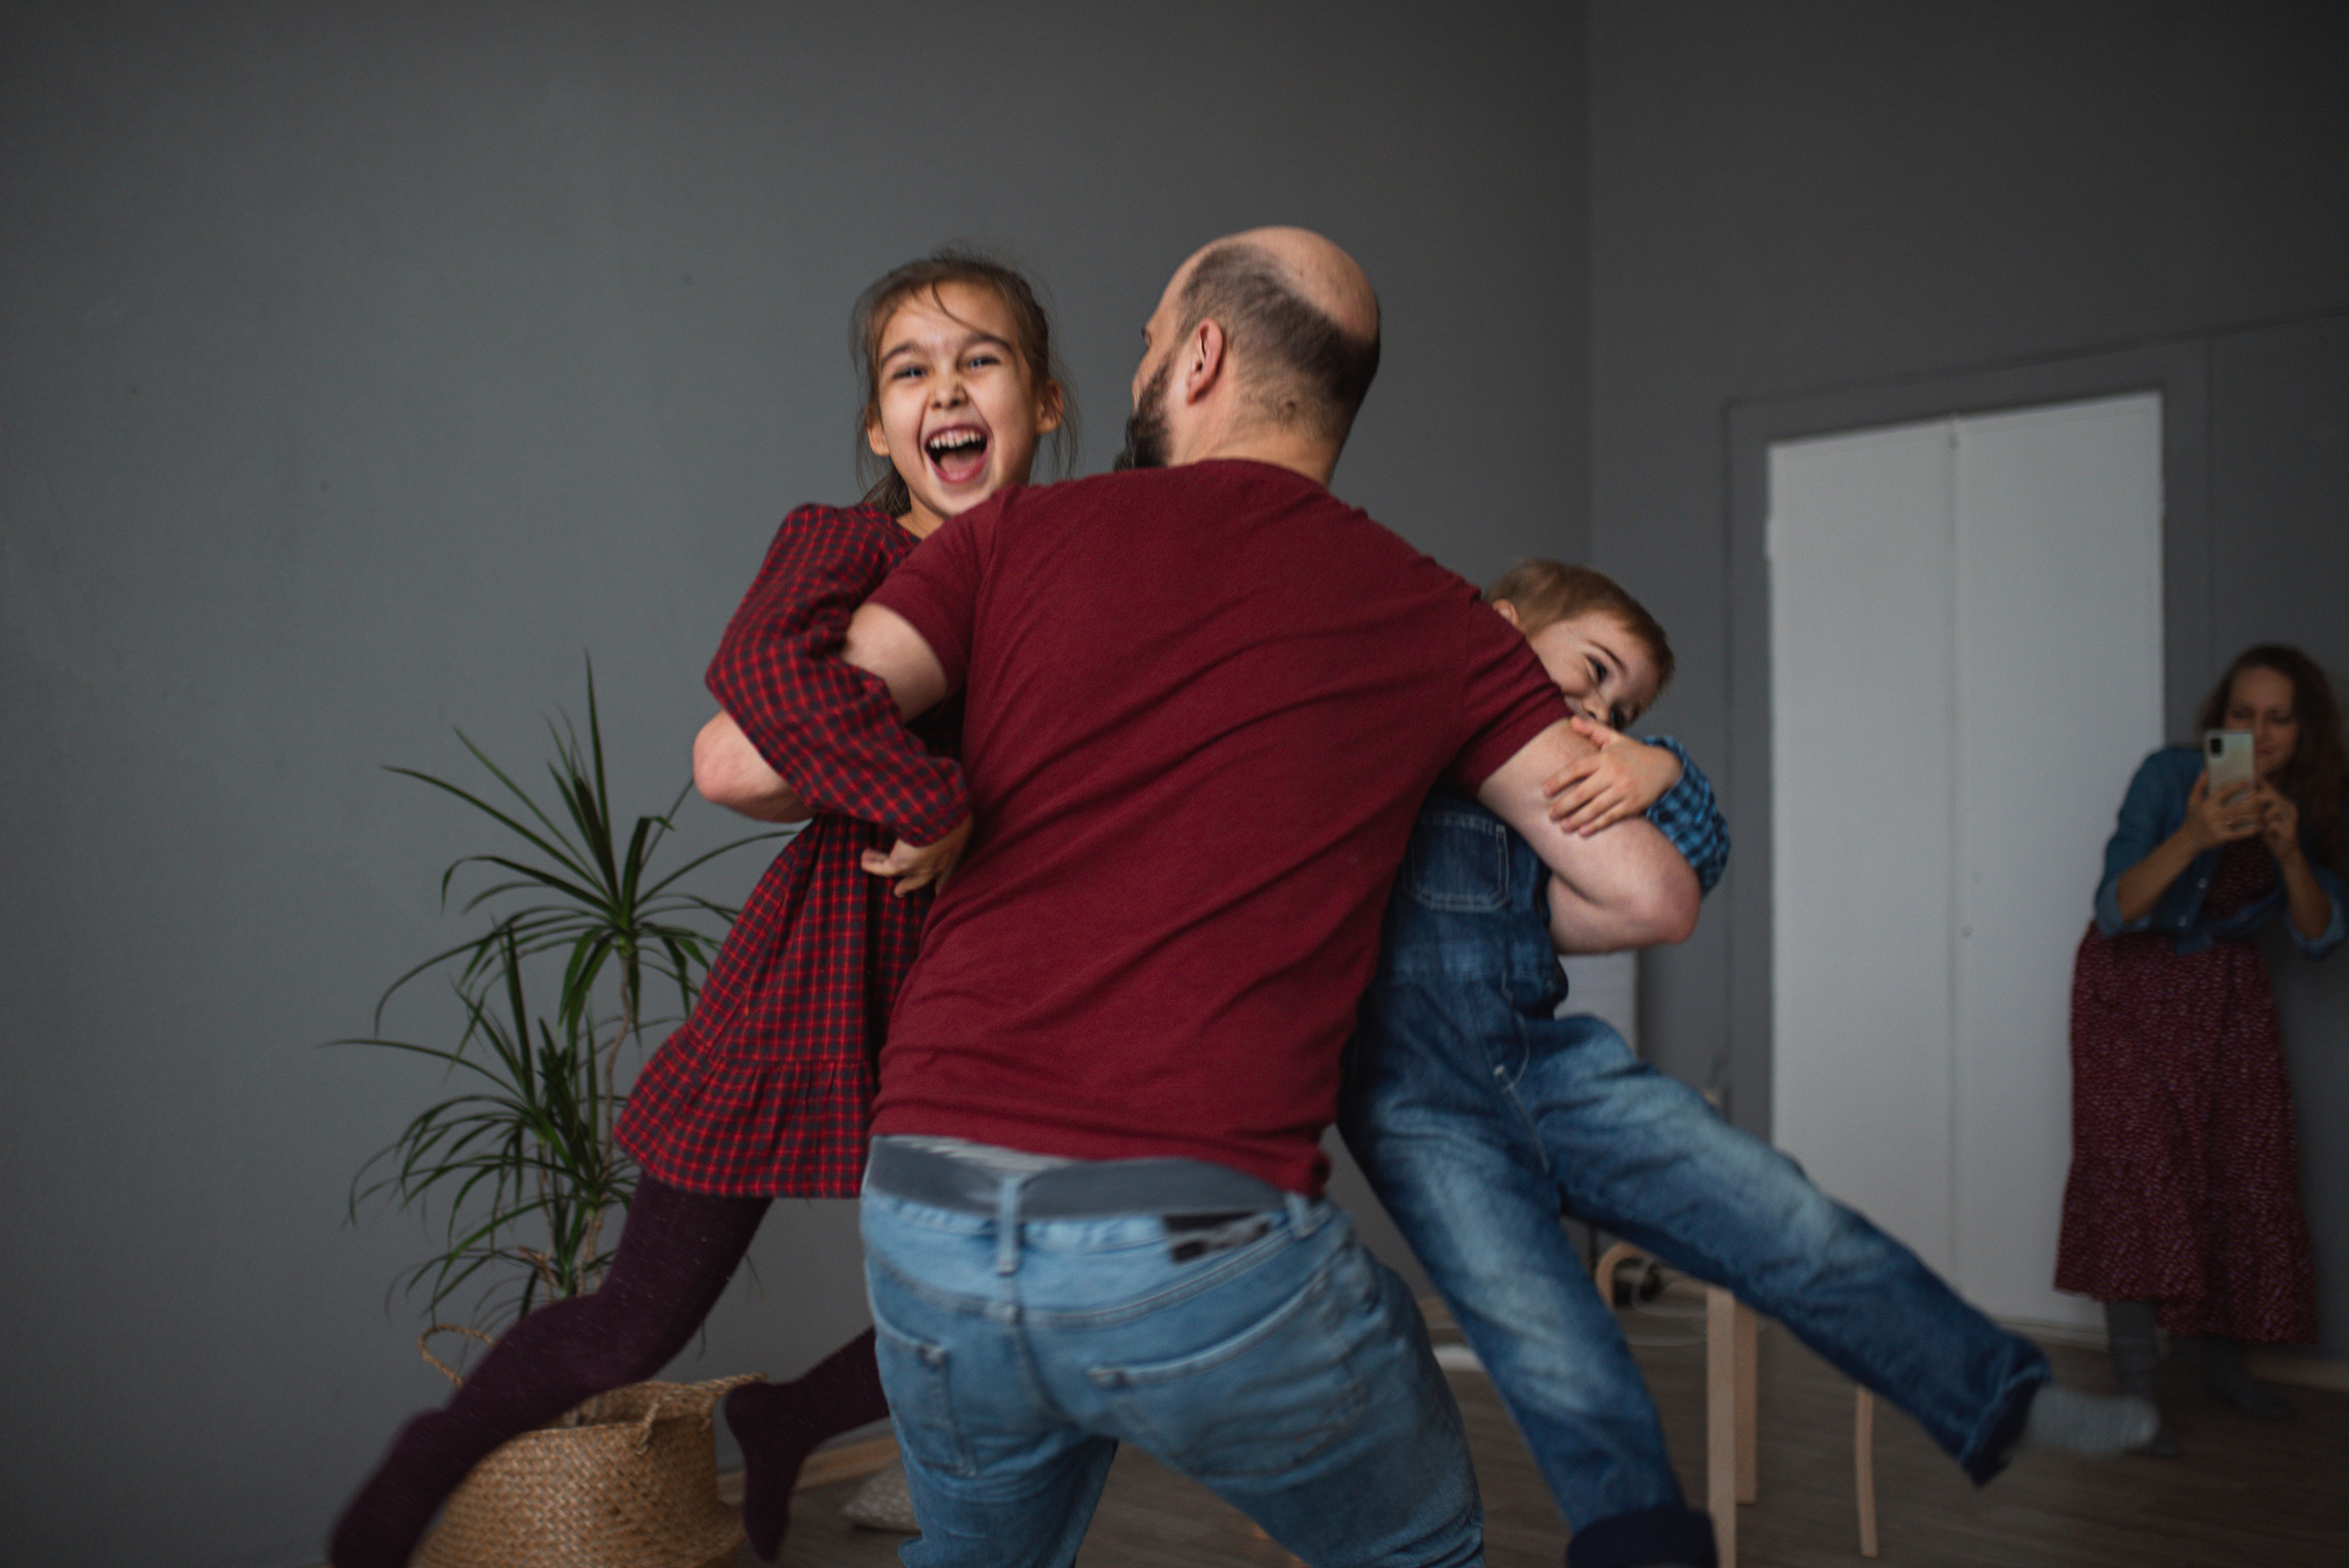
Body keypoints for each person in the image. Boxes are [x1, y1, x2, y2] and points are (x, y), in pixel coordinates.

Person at [705, 227, 1700, 1568]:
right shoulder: (1435, 617)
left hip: (928, 1202)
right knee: (1415, 1546)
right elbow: (1644, 894)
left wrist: (933, 798)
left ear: (1200, 354)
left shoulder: (1012, 537)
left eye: (1145, 344)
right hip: (1196, 1241)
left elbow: (754, 759)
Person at [327, 250, 1073, 1568]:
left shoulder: (1069, 569)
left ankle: (794, 1420)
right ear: (876, 426)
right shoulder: (846, 543)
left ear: (1048, 402)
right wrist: (923, 798)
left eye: (982, 361)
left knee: (1033, 1283)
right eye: (912, 371)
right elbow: (755, 680)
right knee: (636, 1317)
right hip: (819, 966)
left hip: (988, 976)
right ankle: (413, 1479)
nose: (946, 391)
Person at [1343, 561, 2157, 1568]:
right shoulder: (1402, 715)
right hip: (1422, 1107)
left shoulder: (1572, 776)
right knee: (1556, 1350)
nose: (1599, 705)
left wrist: (1661, 769)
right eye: (1593, 670)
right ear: (1502, 625)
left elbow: (1691, 866)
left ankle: (1996, 1393)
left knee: (1787, 1214)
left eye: (1621, 701)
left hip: (1551, 1064)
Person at [2058, 644, 2346, 1454]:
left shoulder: (2320, 803)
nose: (2258, 733)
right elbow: (2115, 907)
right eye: (2241, 716)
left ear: (2305, 728)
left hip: (2227, 997)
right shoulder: (2166, 777)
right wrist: (2191, 835)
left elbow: (2320, 938)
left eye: (2277, 717)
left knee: (2243, 1166)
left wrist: (2291, 852)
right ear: (2220, 721)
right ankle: (2137, 1394)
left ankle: (2223, 1365)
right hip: (2129, 988)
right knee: (2136, 1172)